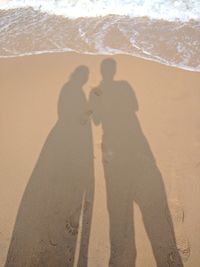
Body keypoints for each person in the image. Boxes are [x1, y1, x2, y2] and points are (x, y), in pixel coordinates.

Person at [89, 58, 183, 267]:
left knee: (119, 214)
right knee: (154, 214)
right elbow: (135, 106)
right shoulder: (124, 87)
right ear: (113, 71)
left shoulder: (95, 92)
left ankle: (123, 259)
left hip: (113, 152)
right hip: (136, 146)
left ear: (102, 72)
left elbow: (96, 120)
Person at [5, 66, 94, 267]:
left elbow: (62, 111)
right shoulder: (73, 92)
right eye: (84, 76)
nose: (85, 78)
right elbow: (65, 112)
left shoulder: (68, 89)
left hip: (59, 135)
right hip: (66, 136)